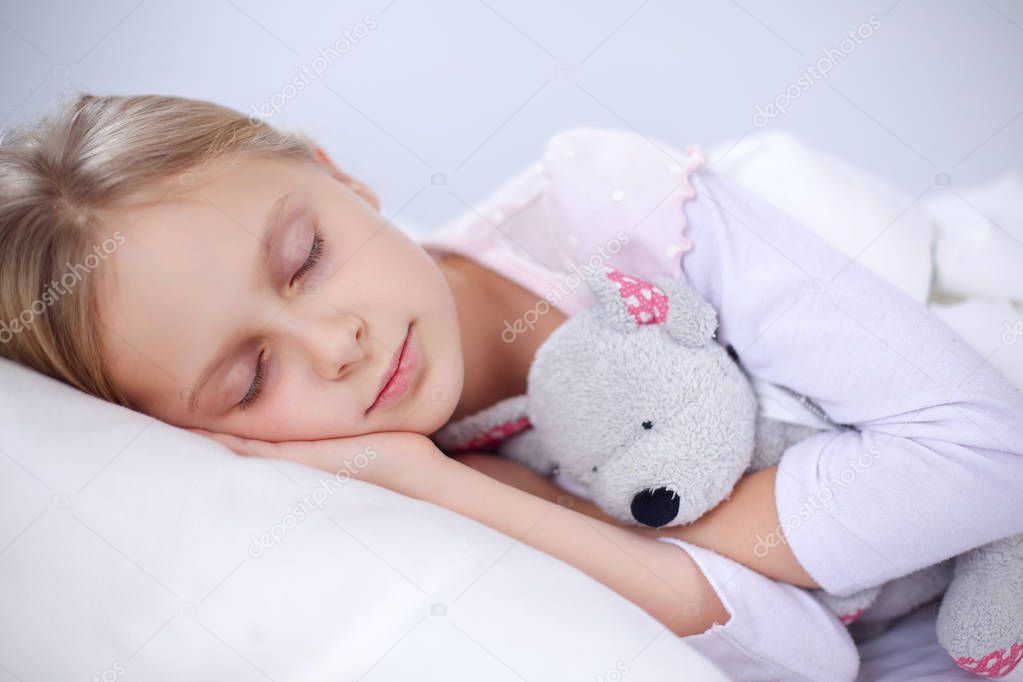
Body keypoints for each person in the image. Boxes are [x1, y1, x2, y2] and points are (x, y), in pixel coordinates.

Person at [2, 93, 1020, 680]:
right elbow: (805, 658)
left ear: (340, 173)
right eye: (249, 374)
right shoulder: (403, 488)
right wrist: (448, 490)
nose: (337, 342)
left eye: (307, 254)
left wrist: (655, 534)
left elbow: (986, 455)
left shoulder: (608, 211)